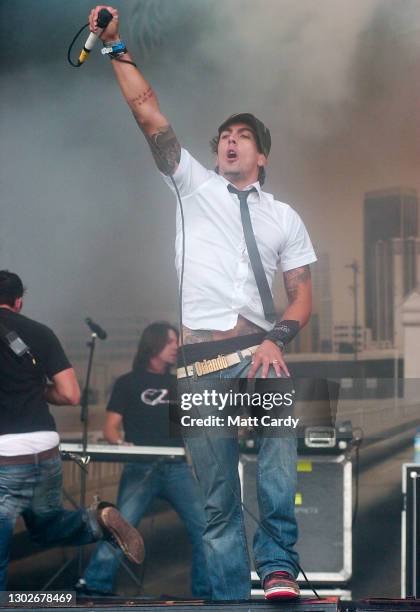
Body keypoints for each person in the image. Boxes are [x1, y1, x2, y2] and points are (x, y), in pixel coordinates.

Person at [88, 6, 317, 600]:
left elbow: (302, 295)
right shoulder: (192, 184)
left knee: (277, 453)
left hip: (261, 348)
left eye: (242, 137)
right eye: (224, 137)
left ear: (260, 155)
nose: (230, 142)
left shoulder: (283, 216)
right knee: (217, 500)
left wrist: (279, 338)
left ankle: (277, 568)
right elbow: (147, 113)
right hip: (201, 360)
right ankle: (226, 598)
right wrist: (115, 47)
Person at [0, 270, 144, 591]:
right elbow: (70, 394)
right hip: (44, 449)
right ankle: (97, 521)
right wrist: (35, 391)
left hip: (4, 457)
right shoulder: (41, 333)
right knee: (46, 525)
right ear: (18, 302)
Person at [78, 322, 211, 599]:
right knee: (120, 529)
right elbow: (111, 428)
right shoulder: (127, 383)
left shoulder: (179, 383)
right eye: (171, 341)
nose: (176, 347)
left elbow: (191, 427)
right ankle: (94, 585)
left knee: (205, 528)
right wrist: (120, 443)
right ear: (153, 344)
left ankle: (205, 592)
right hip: (141, 467)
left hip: (177, 467)